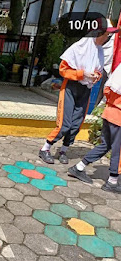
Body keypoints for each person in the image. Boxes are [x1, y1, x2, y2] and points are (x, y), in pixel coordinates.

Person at [39, 25, 119, 165]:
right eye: (105, 35)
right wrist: (82, 74)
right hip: (71, 87)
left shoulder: (99, 51)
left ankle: (63, 150)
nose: (107, 38)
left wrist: (96, 76)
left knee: (76, 123)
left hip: (85, 90)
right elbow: (63, 70)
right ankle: (45, 148)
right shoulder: (78, 48)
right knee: (65, 123)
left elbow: (99, 70)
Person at [68, 63, 121, 192]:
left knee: (105, 145)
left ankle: (79, 167)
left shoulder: (118, 72)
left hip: (109, 113)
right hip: (119, 117)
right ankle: (112, 182)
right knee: (118, 150)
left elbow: (106, 89)